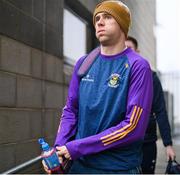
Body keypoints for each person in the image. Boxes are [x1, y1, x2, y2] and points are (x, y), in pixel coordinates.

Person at [43, 1, 153, 174]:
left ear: (123, 25)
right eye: (97, 18)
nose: (100, 22)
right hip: (79, 166)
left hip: (117, 168)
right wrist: (60, 149)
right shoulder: (84, 62)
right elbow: (71, 110)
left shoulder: (138, 66)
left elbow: (133, 127)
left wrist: (77, 147)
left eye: (108, 17)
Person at [125, 36, 176, 174]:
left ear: (137, 51)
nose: (126, 52)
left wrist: (168, 144)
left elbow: (160, 111)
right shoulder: (117, 78)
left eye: (129, 48)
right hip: (122, 143)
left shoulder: (151, 77)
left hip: (146, 142)